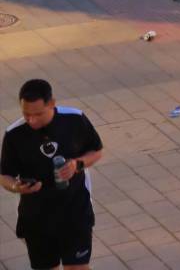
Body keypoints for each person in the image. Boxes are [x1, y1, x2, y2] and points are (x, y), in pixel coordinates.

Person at [0, 79, 104, 270]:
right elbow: (4, 175)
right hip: (36, 217)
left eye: (38, 114)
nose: (31, 120)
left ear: (52, 103)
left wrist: (76, 164)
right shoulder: (14, 134)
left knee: (78, 267)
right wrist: (16, 186)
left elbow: (96, 151)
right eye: (26, 114)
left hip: (75, 210)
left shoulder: (74, 119)